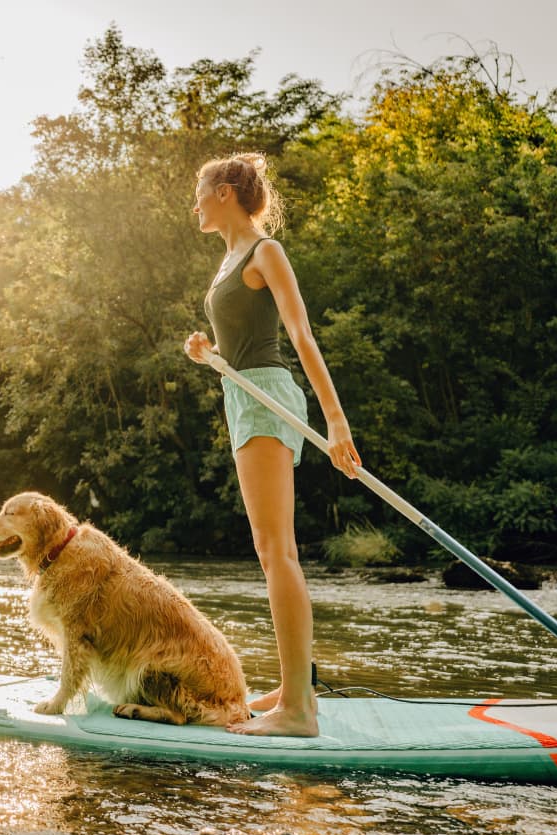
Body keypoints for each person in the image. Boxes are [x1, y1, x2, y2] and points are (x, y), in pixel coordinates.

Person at [183, 152, 361, 737]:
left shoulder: (266, 252)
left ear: (227, 192)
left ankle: (299, 712)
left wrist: (337, 424)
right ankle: (295, 686)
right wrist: (210, 356)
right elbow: (241, 349)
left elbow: (300, 336)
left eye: (202, 190)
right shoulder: (228, 259)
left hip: (268, 398)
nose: (197, 201)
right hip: (244, 395)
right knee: (271, 550)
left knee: (274, 549)